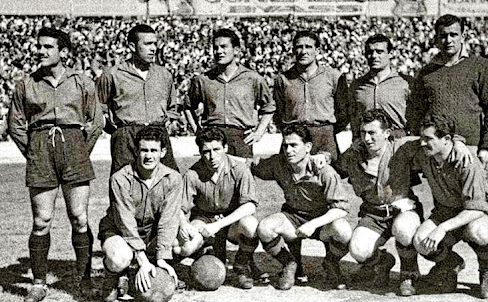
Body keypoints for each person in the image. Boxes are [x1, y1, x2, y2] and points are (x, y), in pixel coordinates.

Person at [7, 27, 103, 302]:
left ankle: (84, 279)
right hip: (40, 147)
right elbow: (15, 124)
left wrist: (81, 151)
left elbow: (96, 122)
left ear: (63, 51)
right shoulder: (27, 84)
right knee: (42, 221)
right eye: (39, 46)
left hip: (74, 146)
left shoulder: (82, 82)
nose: (41, 51)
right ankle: (38, 283)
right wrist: (34, 153)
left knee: (79, 217)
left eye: (48, 47)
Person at [335, 109, 471, 296]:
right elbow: (335, 168)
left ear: (387, 133)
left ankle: (409, 272)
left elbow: (434, 139)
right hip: (373, 213)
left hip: (402, 208)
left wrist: (458, 143)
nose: (366, 138)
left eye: (372, 133)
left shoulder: (401, 147)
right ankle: (383, 262)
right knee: (358, 250)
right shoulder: (354, 154)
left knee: (405, 231)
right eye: (363, 133)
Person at [272, 30, 348, 283]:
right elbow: (279, 113)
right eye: (298, 46)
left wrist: (324, 137)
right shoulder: (283, 79)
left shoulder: (334, 77)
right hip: (294, 134)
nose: (303, 51)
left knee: (325, 196)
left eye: (308, 46)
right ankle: (294, 264)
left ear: (317, 49)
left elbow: (343, 113)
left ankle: (331, 263)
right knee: (295, 194)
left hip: (324, 135)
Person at [251, 124, 352, 290]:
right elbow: (253, 165)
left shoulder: (325, 171)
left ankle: (331, 263)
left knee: (343, 231)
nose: (288, 150)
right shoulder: (278, 163)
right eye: (285, 145)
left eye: (294, 145)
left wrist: (313, 224)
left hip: (321, 221)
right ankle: (290, 264)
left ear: (308, 147)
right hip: (293, 217)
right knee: (265, 227)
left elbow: (341, 208)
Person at [412, 114, 488, 299]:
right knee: (421, 241)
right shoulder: (425, 153)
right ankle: (451, 263)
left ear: (446, 140)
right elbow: (396, 142)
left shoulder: (467, 162)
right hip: (445, 210)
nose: (422, 143)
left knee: (479, 232)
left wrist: (442, 228)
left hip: (475, 212)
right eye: (421, 138)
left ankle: (487, 269)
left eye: (428, 139)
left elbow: (477, 207)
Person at [98, 126, 181, 302]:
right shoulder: (120, 178)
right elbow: (125, 221)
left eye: (153, 150)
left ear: (163, 152)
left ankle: (138, 273)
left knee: (183, 243)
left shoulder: (173, 178)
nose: (148, 156)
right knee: (120, 257)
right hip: (119, 230)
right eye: (144, 150)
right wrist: (142, 258)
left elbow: (169, 219)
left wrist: (162, 258)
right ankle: (113, 275)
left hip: (150, 232)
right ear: (136, 151)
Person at [410, 14, 488, 170]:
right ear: (437, 39)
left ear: (463, 36)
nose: (448, 40)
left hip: (471, 147)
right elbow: (417, 111)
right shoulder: (426, 73)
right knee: (441, 195)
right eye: (443, 36)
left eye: (453, 35)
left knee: (473, 194)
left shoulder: (480, 66)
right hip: (438, 147)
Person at [174, 127, 261, 289]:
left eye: (216, 149)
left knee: (251, 226)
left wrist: (218, 225)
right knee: (185, 247)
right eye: (206, 151)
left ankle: (241, 265)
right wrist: (184, 224)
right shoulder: (193, 174)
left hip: (231, 220)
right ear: (200, 151)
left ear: (225, 148)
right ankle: (199, 258)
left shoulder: (239, 169)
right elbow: (179, 207)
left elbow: (249, 206)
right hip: (204, 219)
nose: (212, 156)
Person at [97, 24, 179, 174]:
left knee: (169, 182)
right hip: (126, 137)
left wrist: (165, 122)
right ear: (132, 46)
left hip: (158, 134)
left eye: (155, 43)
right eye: (147, 44)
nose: (153, 48)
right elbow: (98, 107)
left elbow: (172, 107)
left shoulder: (164, 75)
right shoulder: (113, 74)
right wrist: (117, 131)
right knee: (123, 185)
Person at [184, 28, 276, 157]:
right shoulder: (203, 80)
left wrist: (259, 132)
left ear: (236, 50)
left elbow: (269, 107)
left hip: (241, 138)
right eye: (215, 48)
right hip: (212, 137)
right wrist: (197, 130)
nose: (219, 51)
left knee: (242, 176)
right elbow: (188, 106)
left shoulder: (252, 78)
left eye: (224, 47)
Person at [348, 34, 412, 139]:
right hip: (368, 142)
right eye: (370, 52)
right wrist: (356, 138)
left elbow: (416, 116)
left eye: (379, 52)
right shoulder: (357, 85)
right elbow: (353, 117)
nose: (373, 56)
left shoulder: (405, 83)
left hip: (398, 141)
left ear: (391, 53)